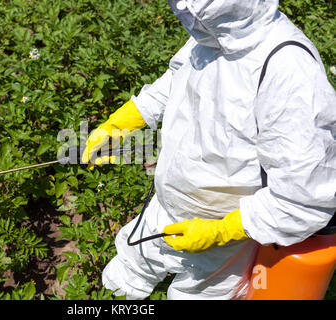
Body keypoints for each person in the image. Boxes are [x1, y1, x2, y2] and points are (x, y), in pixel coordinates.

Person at [82, 0, 336, 299]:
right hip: (169, 199)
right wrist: (122, 121)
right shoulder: (213, 34)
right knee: (133, 261)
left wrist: (222, 231)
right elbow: (177, 80)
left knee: (199, 292)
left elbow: (304, 195)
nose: (187, 18)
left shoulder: (289, 69)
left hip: (223, 231)